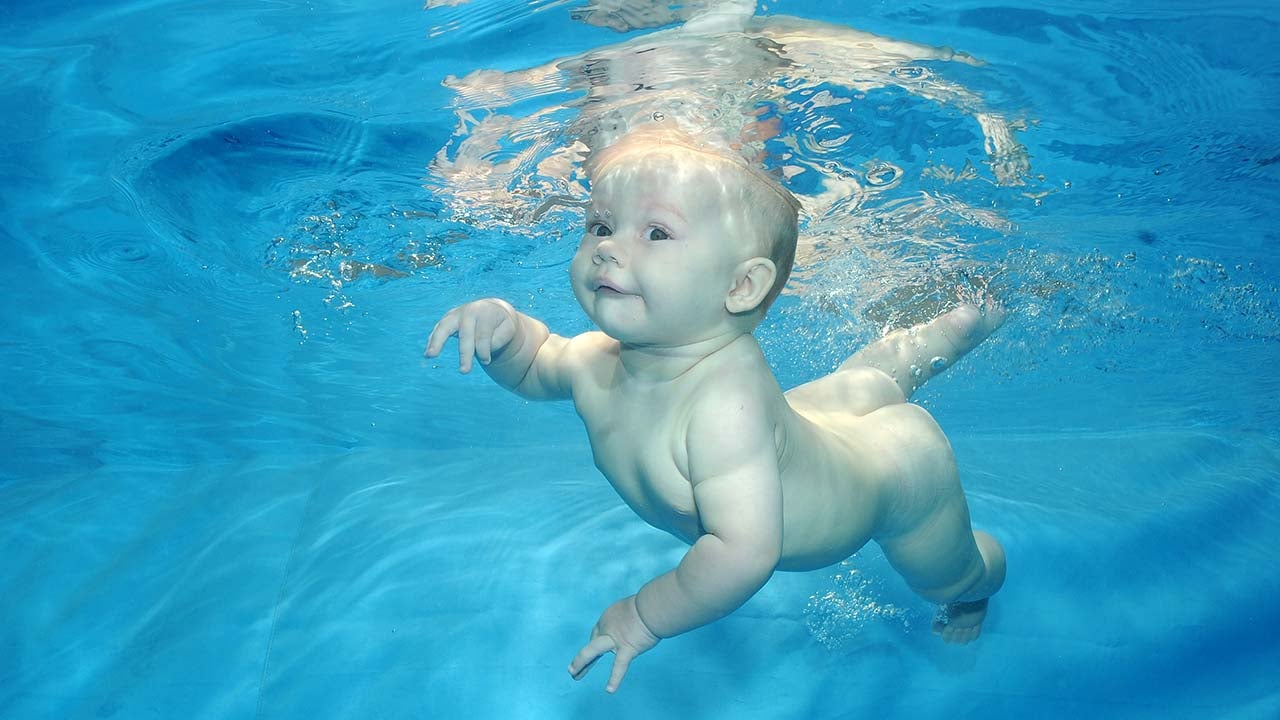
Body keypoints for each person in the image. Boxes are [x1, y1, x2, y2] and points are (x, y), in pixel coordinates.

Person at [424, 127, 1007, 694]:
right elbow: (535, 363)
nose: (607, 246)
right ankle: (955, 328)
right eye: (601, 225)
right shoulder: (598, 359)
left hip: (894, 475)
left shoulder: (725, 405)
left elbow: (745, 551)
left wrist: (645, 615)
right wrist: (503, 330)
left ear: (742, 286)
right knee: (861, 384)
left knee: (950, 577)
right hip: (815, 421)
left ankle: (980, 585)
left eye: (656, 233)